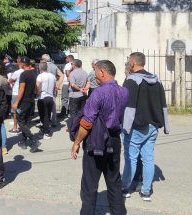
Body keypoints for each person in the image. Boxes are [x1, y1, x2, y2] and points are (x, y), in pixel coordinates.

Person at [70, 60, 128, 215]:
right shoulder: (124, 92)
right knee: (114, 181)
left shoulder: (98, 93)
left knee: (89, 184)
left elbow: (86, 123)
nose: (94, 76)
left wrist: (76, 142)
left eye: (95, 72)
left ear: (102, 72)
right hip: (114, 140)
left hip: (95, 141)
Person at [121, 52, 170, 201]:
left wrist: (125, 127)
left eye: (128, 61)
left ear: (133, 63)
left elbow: (128, 107)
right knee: (148, 159)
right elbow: (163, 105)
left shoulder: (131, 81)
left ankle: (125, 188)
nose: (128, 63)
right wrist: (165, 125)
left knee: (131, 159)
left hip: (135, 127)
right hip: (153, 125)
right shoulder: (156, 80)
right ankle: (146, 191)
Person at [11, 56, 40, 152]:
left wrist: (16, 102)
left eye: (20, 63)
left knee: (21, 121)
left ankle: (33, 140)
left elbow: (21, 90)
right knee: (26, 122)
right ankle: (23, 141)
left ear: (23, 64)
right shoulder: (33, 73)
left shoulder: (24, 74)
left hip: (24, 102)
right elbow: (35, 87)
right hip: (31, 101)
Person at [36, 62, 57, 139]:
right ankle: (45, 130)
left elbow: (38, 86)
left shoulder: (40, 76)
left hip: (42, 97)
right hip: (50, 97)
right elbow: (54, 87)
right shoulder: (53, 76)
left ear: (40, 68)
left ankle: (46, 132)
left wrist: (37, 93)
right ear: (47, 67)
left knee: (43, 115)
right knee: (47, 115)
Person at [7, 57, 25, 133]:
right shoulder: (26, 71)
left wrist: (11, 78)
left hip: (16, 93)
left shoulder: (17, 72)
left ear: (19, 62)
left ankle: (15, 127)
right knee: (21, 110)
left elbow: (9, 81)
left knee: (14, 111)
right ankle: (23, 126)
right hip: (24, 93)